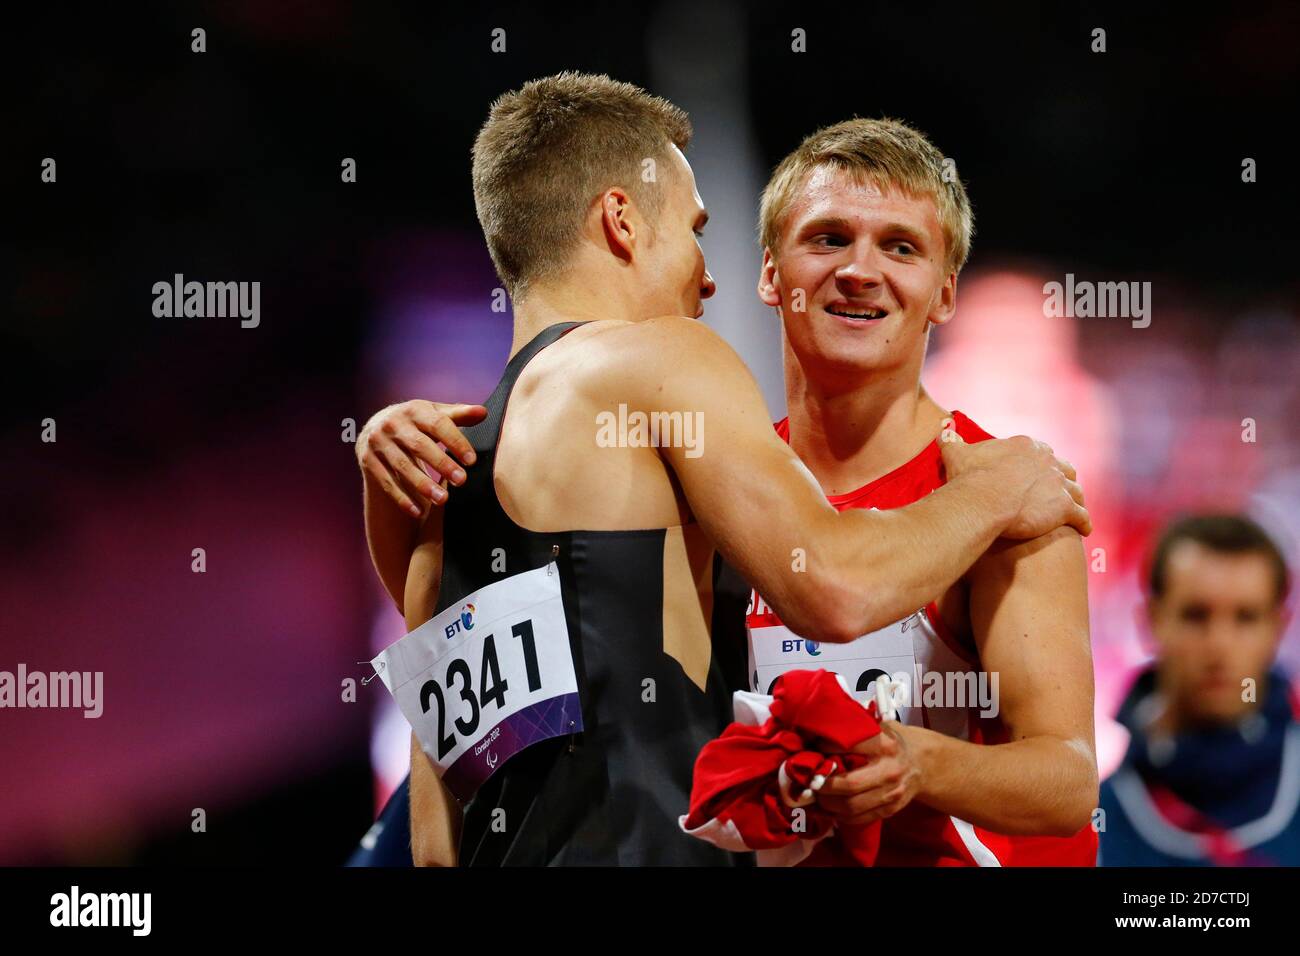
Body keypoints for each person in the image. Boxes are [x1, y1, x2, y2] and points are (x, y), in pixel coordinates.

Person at [356, 73, 1090, 866]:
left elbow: (1070, 781)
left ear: (944, 292)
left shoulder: (1004, 495)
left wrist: (924, 765)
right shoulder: (985, 488)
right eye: (828, 238)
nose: (860, 270)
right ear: (771, 276)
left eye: (901, 247)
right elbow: (834, 588)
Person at [1098, 514, 1299, 865]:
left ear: (1278, 628)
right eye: (1195, 615)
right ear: (1151, 621)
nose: (1218, 646)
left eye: (1246, 617)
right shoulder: (1095, 825)